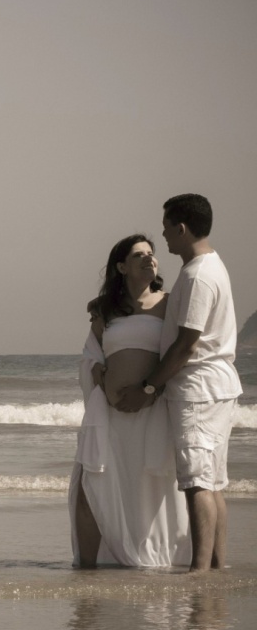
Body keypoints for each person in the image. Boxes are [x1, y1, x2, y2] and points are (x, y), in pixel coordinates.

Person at [115, 194, 242, 572]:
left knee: (198, 483)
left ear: (182, 228)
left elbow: (186, 344)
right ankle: (216, 568)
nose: (164, 237)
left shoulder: (199, 274)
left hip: (199, 389)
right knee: (212, 482)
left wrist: (149, 388)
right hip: (215, 386)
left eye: (168, 227)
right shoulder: (209, 267)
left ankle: (200, 572)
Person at [69, 234, 189, 568]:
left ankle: (151, 559)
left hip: (152, 412)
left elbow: (177, 355)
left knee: (147, 490)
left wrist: (150, 391)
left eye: (152, 254)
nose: (149, 259)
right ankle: (87, 571)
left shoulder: (170, 304)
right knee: (91, 487)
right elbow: (90, 355)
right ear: (121, 266)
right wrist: (100, 380)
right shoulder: (105, 309)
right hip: (109, 414)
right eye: (139, 255)